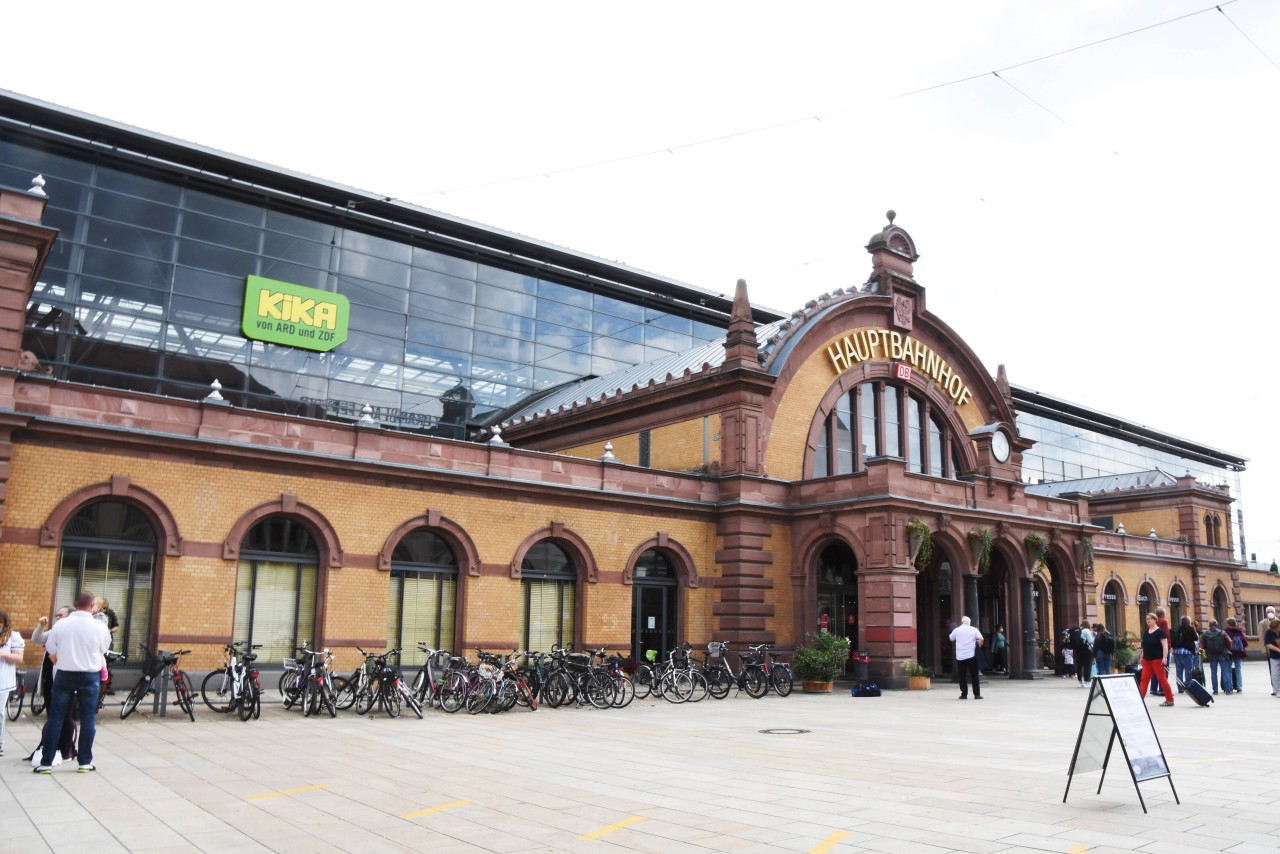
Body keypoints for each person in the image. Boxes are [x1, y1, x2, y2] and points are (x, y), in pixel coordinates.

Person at [34, 591, 111, 774]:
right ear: (92, 606)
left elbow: (51, 648)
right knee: (88, 719)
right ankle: (84, 762)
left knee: (56, 718)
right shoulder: (99, 627)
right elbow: (104, 650)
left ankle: (47, 762)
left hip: (64, 674)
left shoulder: (62, 625)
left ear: (76, 604)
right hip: (89, 676)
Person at [29, 606, 77, 765]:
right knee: (53, 715)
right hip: (50, 679)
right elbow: (36, 639)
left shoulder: (72, 632)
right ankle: (52, 746)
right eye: (56, 615)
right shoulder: (56, 630)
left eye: (61, 615)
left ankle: (65, 749)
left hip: (65, 680)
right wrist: (41, 626)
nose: (58, 618)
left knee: (66, 716)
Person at [0, 610, 26, 757]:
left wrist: (3, 654)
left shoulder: (13, 637)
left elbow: (18, 658)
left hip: (3, 680)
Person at [1139, 612, 1175, 706]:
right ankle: (1140, 699)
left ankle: (1170, 699)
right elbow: (1144, 646)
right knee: (1144, 679)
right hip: (1147, 660)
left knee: (1162, 679)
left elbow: (1165, 645)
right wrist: (1142, 656)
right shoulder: (1146, 632)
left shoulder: (1160, 632)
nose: (1148, 621)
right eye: (1147, 619)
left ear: (1155, 620)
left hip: (1157, 660)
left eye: (1150, 619)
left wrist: (1164, 658)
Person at [949, 615, 984, 700]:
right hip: (971, 655)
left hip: (960, 656)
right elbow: (981, 639)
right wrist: (978, 647)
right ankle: (977, 694)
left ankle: (964, 694)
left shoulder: (957, 630)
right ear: (969, 622)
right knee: (974, 675)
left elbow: (951, 638)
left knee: (962, 675)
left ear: (962, 622)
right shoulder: (974, 629)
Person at [1199, 619, 1232, 694]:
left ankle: (1215, 690)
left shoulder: (1205, 634)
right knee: (1225, 672)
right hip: (1222, 654)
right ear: (1216, 625)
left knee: (1213, 672)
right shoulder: (1222, 633)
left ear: (1209, 626)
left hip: (1211, 655)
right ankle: (1227, 690)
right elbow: (1230, 641)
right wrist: (1228, 649)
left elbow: (1201, 645)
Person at [1171, 615, 1199, 692]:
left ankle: (1180, 688)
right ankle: (1188, 685)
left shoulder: (1178, 628)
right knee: (1188, 670)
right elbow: (1196, 638)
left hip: (1177, 651)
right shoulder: (1190, 628)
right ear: (1189, 622)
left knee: (1179, 670)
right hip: (1187, 651)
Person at [1223, 617, 1248, 693]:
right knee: (1238, 670)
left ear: (1228, 624)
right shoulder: (1239, 632)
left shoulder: (1225, 632)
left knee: (1228, 670)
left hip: (1228, 653)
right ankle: (1239, 687)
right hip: (1238, 653)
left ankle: (1229, 688)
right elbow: (1245, 643)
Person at [1075, 620, 1095, 687]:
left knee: (1079, 666)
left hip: (1078, 650)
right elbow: (1090, 641)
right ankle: (1087, 682)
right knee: (1087, 666)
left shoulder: (1078, 631)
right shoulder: (1087, 630)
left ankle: (1080, 682)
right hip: (1087, 650)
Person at [1265, 618, 1280, 697]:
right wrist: (1278, 649)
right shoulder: (1268, 632)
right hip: (1274, 656)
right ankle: (1277, 691)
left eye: (1277, 629)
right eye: (1273, 629)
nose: (1275, 631)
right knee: (1275, 675)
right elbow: (1267, 644)